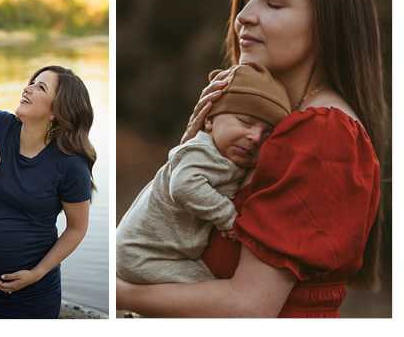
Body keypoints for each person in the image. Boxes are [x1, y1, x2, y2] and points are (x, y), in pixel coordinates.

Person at [116, 0, 386, 318]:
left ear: (328, 19)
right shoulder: (280, 124)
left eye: (273, 3)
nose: (243, 15)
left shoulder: (322, 135)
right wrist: (193, 149)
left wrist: (120, 293)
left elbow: (249, 308)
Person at [116, 62, 290, 284]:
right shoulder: (202, 151)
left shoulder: (227, 157)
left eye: (267, 136)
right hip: (145, 254)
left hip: (160, 253)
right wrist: (227, 217)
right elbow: (183, 185)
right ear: (209, 121)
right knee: (208, 289)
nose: (255, 137)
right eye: (246, 122)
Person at [0, 65, 96, 319]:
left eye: (40, 87)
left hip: (32, 293)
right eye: (32, 82)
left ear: (57, 111)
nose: (27, 88)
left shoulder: (70, 164)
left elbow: (77, 228)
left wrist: (38, 272)